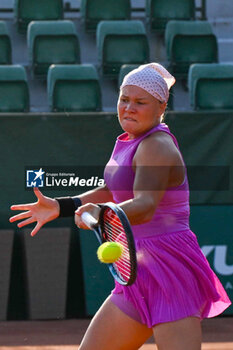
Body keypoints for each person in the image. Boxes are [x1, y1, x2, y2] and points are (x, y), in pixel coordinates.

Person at [10, 63, 231, 350]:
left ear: (161, 106)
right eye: (124, 100)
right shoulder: (129, 141)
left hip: (170, 267)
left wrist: (103, 215)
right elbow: (111, 190)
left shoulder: (157, 145)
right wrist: (63, 206)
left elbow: (146, 204)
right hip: (138, 267)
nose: (129, 108)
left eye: (140, 102)